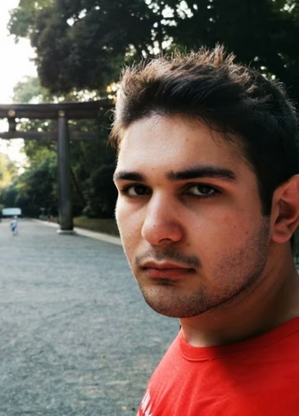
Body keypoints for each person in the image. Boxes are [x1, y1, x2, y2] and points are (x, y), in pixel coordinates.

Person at [110, 46, 299, 415]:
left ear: (284, 212)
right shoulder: (207, 330)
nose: (155, 230)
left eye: (201, 190)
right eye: (136, 190)